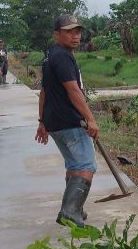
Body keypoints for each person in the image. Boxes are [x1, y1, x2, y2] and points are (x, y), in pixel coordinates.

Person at [34, 14, 99, 227]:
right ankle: (70, 211)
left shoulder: (50, 56)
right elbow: (73, 90)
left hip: (55, 123)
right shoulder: (63, 56)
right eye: (69, 31)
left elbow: (44, 91)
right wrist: (90, 119)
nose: (75, 36)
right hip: (69, 121)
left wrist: (42, 121)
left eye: (77, 31)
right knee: (86, 164)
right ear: (57, 34)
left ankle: (75, 208)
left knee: (73, 164)